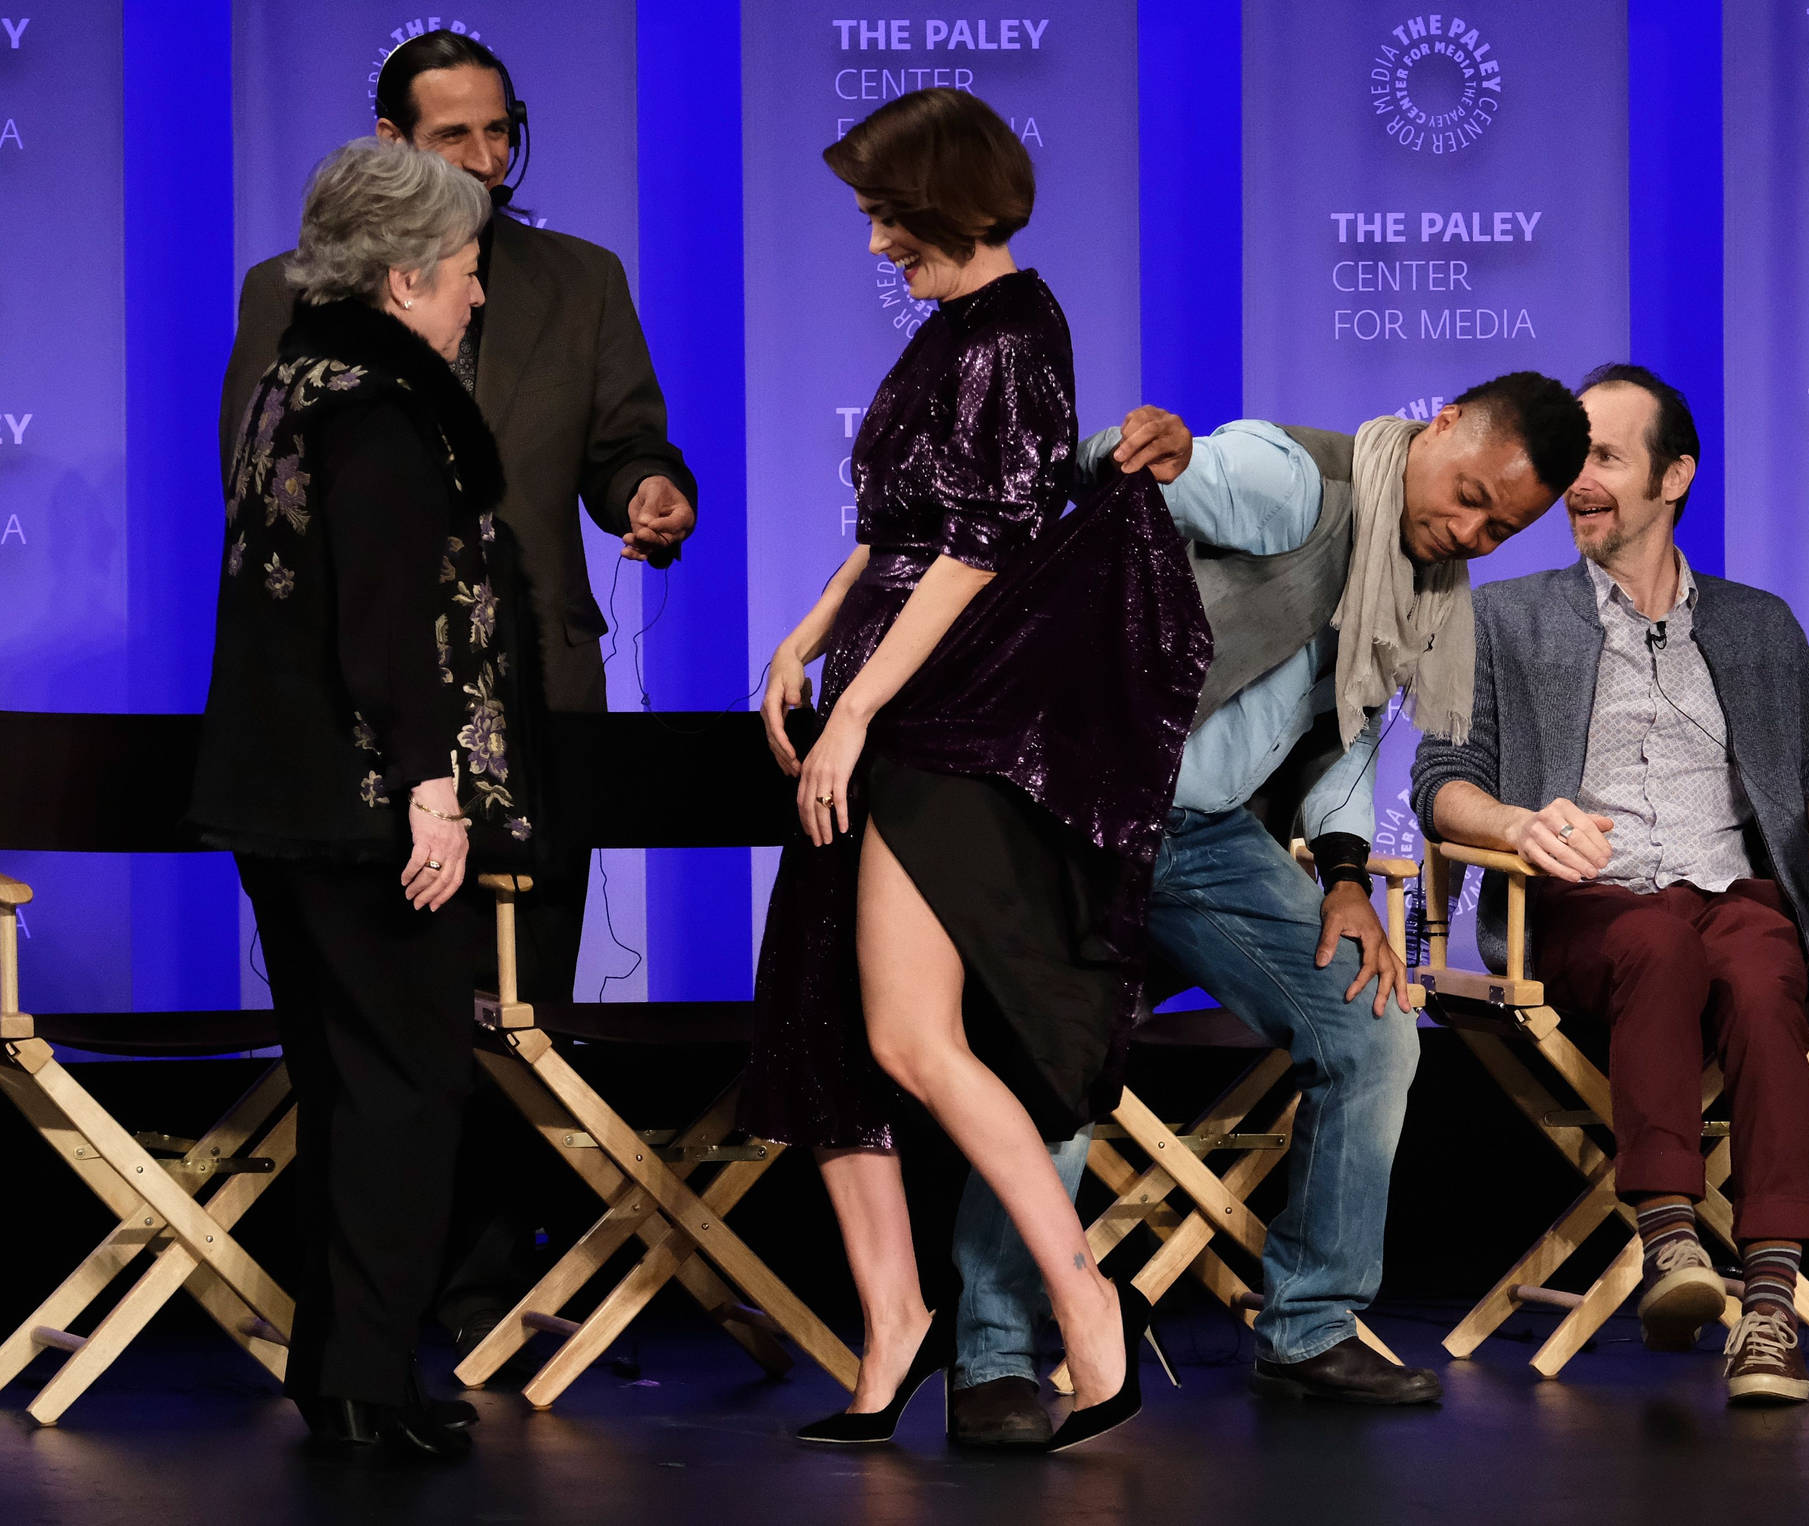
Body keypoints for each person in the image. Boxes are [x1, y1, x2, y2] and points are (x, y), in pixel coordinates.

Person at [944, 376, 1593, 1445]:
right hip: (1081, 813)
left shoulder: (1420, 590)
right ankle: (998, 1354)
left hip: (1200, 835)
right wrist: (1137, 443)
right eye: (1469, 492)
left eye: (1500, 526)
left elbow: (1345, 738)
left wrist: (1346, 873)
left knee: (1372, 1024)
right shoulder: (1301, 487)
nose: (1468, 530)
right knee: (1056, 1056)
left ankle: (1307, 1324)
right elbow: (1148, 469)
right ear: (1438, 427)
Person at [746, 88, 1212, 1453]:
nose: (878, 240)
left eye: (892, 213)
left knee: (909, 1037)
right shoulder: (952, 331)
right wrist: (811, 632)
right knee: (827, 1028)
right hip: (886, 690)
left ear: (951, 203)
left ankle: (1084, 1301)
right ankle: (893, 1333)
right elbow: (897, 529)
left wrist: (857, 715)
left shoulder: (1017, 328)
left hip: (944, 713)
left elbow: (982, 545)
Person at [221, 29, 698, 1355]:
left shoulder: (576, 279)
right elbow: (278, 518)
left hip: (536, 690)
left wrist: (648, 493)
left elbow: (624, 438)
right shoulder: (292, 305)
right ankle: (376, 1318)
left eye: (504, 130)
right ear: (393, 146)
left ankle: (476, 1299)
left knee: (511, 1015)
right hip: (376, 731)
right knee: (392, 1033)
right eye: (457, 138)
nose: (490, 159)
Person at [1410, 363, 1809, 1406]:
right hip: (1583, 905)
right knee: (1655, 944)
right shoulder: (1505, 619)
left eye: (1605, 459)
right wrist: (1519, 822)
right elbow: (1442, 780)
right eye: (1571, 459)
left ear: (1674, 476)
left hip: (1732, 891)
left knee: (1768, 970)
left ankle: (1768, 1304)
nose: (1576, 482)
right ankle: (1672, 1240)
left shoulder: (1760, 624)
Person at [190, 138, 526, 1458]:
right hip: (368, 801)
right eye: (464, 272)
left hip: (281, 796)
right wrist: (434, 788)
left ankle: (341, 1370)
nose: (478, 296)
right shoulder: (382, 408)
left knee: (342, 1086)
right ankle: (369, 1382)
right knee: (403, 1086)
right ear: (403, 278)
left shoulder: (291, 377)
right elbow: (385, 625)